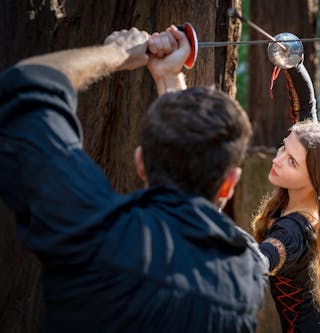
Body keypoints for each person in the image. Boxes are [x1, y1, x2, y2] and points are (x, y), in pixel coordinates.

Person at [0, 26, 267, 332]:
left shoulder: (95, 233)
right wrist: (168, 77)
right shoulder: (246, 275)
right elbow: (198, 222)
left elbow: (25, 86)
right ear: (229, 183)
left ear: (140, 163)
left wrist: (117, 53)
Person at [252, 62, 320, 332]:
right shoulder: (315, 172)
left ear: (313, 179)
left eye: (291, 162)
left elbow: (255, 264)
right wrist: (293, 62)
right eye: (283, 148)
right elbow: (306, 108)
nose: (278, 160)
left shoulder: (292, 232)